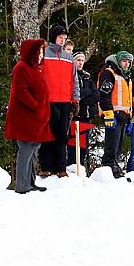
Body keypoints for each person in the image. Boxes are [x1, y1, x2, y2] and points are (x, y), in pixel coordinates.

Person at [5, 38, 53, 194]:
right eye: (38, 51)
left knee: (33, 151)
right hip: (25, 118)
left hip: (37, 118)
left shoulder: (36, 69)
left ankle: (30, 182)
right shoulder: (21, 67)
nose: (40, 55)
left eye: (41, 52)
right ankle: (21, 185)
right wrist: (35, 106)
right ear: (31, 52)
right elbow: (20, 91)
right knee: (25, 151)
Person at [38, 24, 80, 177]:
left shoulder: (69, 58)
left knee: (62, 135)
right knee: (47, 134)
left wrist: (75, 100)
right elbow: (39, 77)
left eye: (64, 38)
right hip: (48, 101)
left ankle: (61, 167)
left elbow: (74, 80)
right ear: (54, 37)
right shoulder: (44, 54)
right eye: (60, 37)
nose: (63, 40)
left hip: (65, 101)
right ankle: (45, 167)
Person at [98, 51, 134, 177]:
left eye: (129, 62)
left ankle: (114, 166)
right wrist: (108, 115)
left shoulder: (125, 76)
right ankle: (107, 169)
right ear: (118, 61)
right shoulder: (109, 73)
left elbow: (128, 99)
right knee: (111, 147)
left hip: (124, 117)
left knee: (118, 147)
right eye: (124, 61)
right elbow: (104, 95)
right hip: (113, 115)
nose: (126, 64)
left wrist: (130, 118)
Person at [67, 51, 99, 167]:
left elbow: (96, 95)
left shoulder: (87, 76)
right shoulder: (69, 74)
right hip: (75, 115)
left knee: (84, 144)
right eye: (78, 60)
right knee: (73, 144)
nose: (80, 63)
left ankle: (80, 166)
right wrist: (86, 93)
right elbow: (75, 93)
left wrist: (84, 97)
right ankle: (71, 166)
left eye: (82, 60)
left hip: (86, 115)